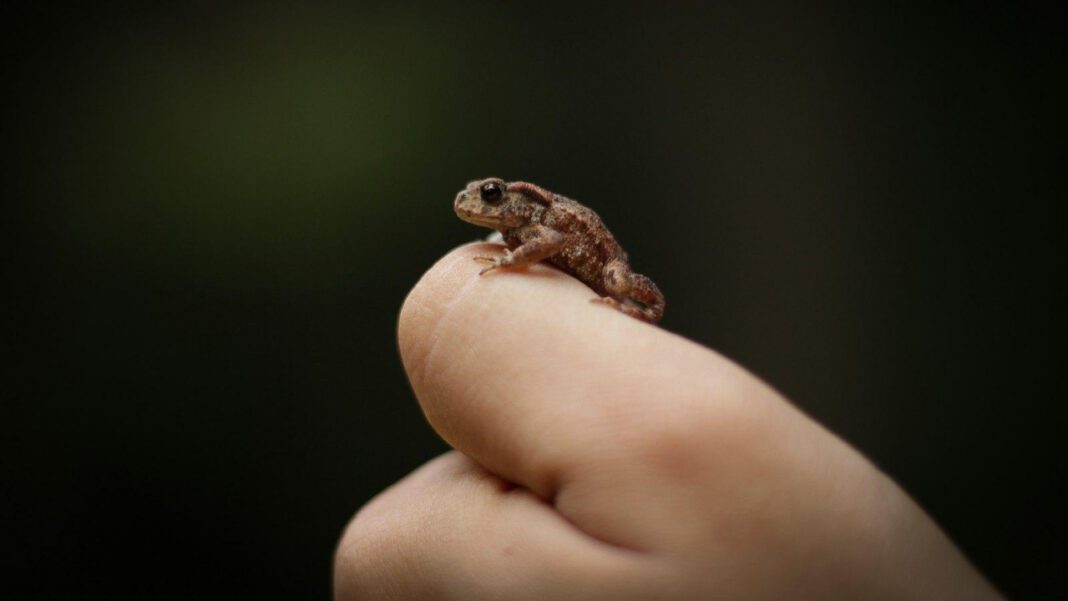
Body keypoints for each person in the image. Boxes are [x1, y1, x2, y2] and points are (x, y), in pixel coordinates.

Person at [334, 244, 1003, 600]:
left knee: (623, 281)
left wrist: (510, 262)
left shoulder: (545, 220)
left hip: (602, 263)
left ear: (517, 200)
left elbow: (558, 245)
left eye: (489, 195)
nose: (482, 208)